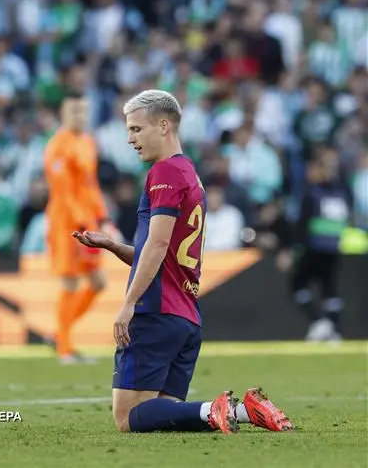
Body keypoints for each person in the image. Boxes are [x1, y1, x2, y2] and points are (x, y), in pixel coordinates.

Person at [72, 89, 292, 434]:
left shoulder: (164, 172)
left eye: (136, 129)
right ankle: (243, 411)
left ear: (163, 126)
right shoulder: (189, 172)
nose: (130, 139)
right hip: (185, 316)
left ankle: (216, 408)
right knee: (168, 414)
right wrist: (114, 246)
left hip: (156, 311)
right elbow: (165, 255)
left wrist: (129, 304)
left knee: (127, 417)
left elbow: (158, 245)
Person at [43, 92, 112, 364]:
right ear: (62, 114)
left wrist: (102, 215)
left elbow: (90, 184)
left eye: (83, 111)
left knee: (98, 282)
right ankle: (65, 349)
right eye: (74, 111)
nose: (79, 116)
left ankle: (59, 333)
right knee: (70, 282)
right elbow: (62, 192)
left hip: (88, 220)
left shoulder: (87, 142)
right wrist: (81, 220)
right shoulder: (57, 146)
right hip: (66, 222)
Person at [290, 157, 351, 342]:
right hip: (334, 247)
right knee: (329, 288)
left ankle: (319, 322)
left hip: (315, 247)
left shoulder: (312, 193)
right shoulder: (342, 192)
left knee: (298, 283)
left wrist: (294, 249)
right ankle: (334, 329)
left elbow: (303, 223)